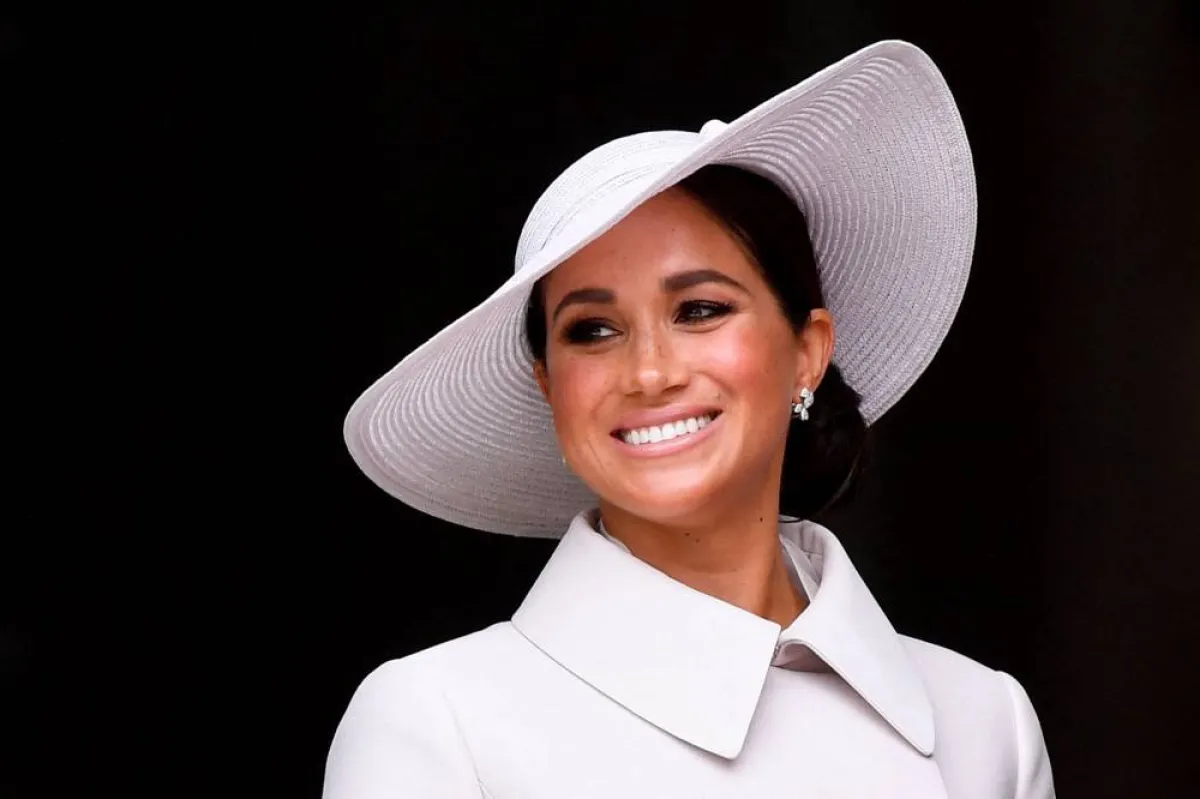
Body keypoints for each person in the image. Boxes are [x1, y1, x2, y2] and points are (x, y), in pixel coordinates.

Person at [324, 40, 1054, 798]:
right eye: (592, 330)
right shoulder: (438, 723)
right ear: (550, 387)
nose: (650, 372)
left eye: (699, 310)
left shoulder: (983, 725)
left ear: (808, 351)